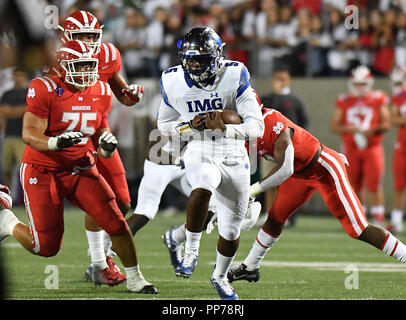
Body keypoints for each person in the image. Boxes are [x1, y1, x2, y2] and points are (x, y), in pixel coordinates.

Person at [0, 40, 157, 294]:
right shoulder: (45, 87)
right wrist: (54, 142)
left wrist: (105, 146)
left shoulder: (101, 91)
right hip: (43, 171)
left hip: (80, 168)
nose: (85, 72)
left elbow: (99, 132)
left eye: (89, 66)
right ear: (63, 66)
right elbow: (29, 134)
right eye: (79, 66)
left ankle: (135, 278)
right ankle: (6, 222)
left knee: (116, 220)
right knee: (46, 247)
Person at [227, 106, 406, 283]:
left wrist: (251, 191)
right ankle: (250, 267)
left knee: (358, 228)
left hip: (323, 168)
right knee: (275, 217)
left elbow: (285, 168)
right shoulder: (242, 134)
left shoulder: (272, 121)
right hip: (298, 174)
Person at [157, 27, 264, 300]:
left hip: (233, 151)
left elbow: (256, 127)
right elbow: (165, 126)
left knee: (230, 230)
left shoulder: (235, 74)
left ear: (216, 56)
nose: (194, 64)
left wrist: (226, 129)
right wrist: (189, 126)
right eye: (191, 58)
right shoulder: (172, 80)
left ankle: (219, 278)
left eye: (201, 59)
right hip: (200, 146)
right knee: (203, 183)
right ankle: (191, 251)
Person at [54, 11, 144, 285]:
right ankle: (98, 263)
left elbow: (121, 95)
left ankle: (102, 257)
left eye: (90, 36)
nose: (85, 41)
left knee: (124, 202)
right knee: (97, 200)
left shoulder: (107, 55)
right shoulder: (57, 60)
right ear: (67, 36)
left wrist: (131, 96)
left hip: (100, 133)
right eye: (79, 35)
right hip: (72, 136)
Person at [330, 65, 391, 227]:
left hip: (372, 147)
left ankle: (379, 219)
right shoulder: (344, 99)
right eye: (356, 83)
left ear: (369, 83)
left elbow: (386, 123)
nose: (359, 87)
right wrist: (351, 129)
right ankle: (360, 219)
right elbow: (334, 126)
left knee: (374, 183)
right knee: (354, 184)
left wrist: (373, 130)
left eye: (363, 84)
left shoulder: (378, 98)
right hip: (351, 148)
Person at [259, 64, 310, 226]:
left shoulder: (295, 100)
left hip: (290, 148)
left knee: (287, 184)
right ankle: (268, 214)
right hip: (269, 147)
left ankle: (284, 216)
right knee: (269, 181)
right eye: (277, 79)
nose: (280, 82)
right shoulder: (268, 98)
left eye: (283, 79)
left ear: (288, 80)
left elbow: (304, 123)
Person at [0, 69, 28, 190]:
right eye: (16, 75)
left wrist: (10, 111)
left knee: (25, 170)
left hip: (23, 137)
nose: (18, 78)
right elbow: (3, 111)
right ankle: (6, 199)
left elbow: (28, 109)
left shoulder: (29, 92)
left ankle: (27, 199)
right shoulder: (7, 93)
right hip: (8, 135)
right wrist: (21, 109)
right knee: (7, 171)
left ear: (25, 77)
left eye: (20, 76)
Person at [388, 66, 406, 233]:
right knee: (399, 184)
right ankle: (396, 220)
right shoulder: (400, 96)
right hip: (402, 145)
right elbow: (393, 118)